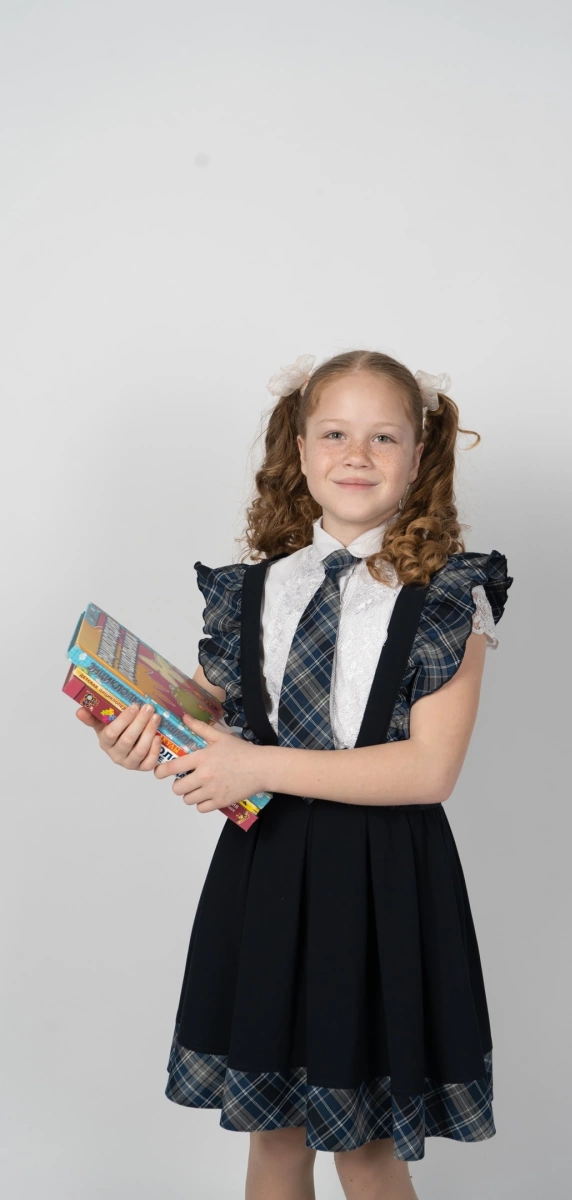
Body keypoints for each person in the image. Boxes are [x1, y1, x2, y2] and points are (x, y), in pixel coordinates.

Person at [76, 348, 514, 1200]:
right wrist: (131, 736)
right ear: (302, 450)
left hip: (384, 883)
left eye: (384, 436)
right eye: (336, 434)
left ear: (418, 455)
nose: (358, 455)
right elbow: (200, 721)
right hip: (266, 875)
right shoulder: (250, 592)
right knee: (273, 1139)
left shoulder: (448, 595)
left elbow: (430, 770)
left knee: (367, 1149)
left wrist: (253, 763)